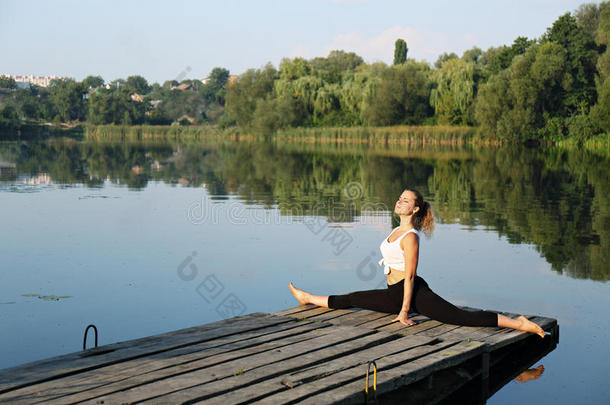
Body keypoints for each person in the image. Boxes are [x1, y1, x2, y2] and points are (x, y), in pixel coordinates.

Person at [289, 189, 546, 338]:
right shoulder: (394, 230)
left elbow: (410, 277)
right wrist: (399, 305)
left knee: (459, 317)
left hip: (413, 293)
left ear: (414, 210)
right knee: (355, 297)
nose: (400, 201)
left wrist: (404, 311)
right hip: (394, 292)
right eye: (400, 198)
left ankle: (519, 323)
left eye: (406, 201)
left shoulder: (411, 237)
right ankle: (308, 298)